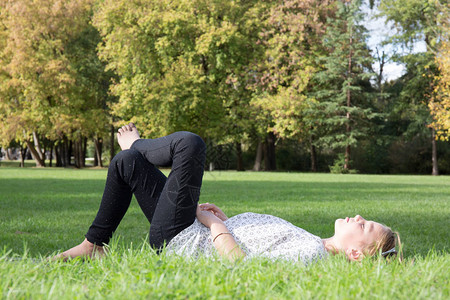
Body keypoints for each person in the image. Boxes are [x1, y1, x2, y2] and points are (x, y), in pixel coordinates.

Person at [56, 123, 401, 264]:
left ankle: (138, 143)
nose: (359, 217)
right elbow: (253, 243)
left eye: (366, 225)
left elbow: (241, 264)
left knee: (188, 144)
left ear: (356, 253)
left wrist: (211, 225)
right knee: (126, 162)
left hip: (182, 239)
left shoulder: (311, 253)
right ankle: (94, 245)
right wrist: (226, 219)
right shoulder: (312, 240)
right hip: (193, 228)